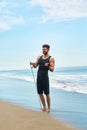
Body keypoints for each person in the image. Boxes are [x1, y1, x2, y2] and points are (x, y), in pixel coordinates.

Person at [30, 44, 55, 112]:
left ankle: (49, 107)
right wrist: (32, 64)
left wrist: (48, 66)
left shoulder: (51, 58)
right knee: (40, 93)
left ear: (48, 49)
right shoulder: (39, 57)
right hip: (39, 78)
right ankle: (44, 106)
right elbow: (35, 66)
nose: (43, 50)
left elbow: (52, 70)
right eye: (42, 49)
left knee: (47, 93)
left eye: (45, 49)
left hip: (45, 78)